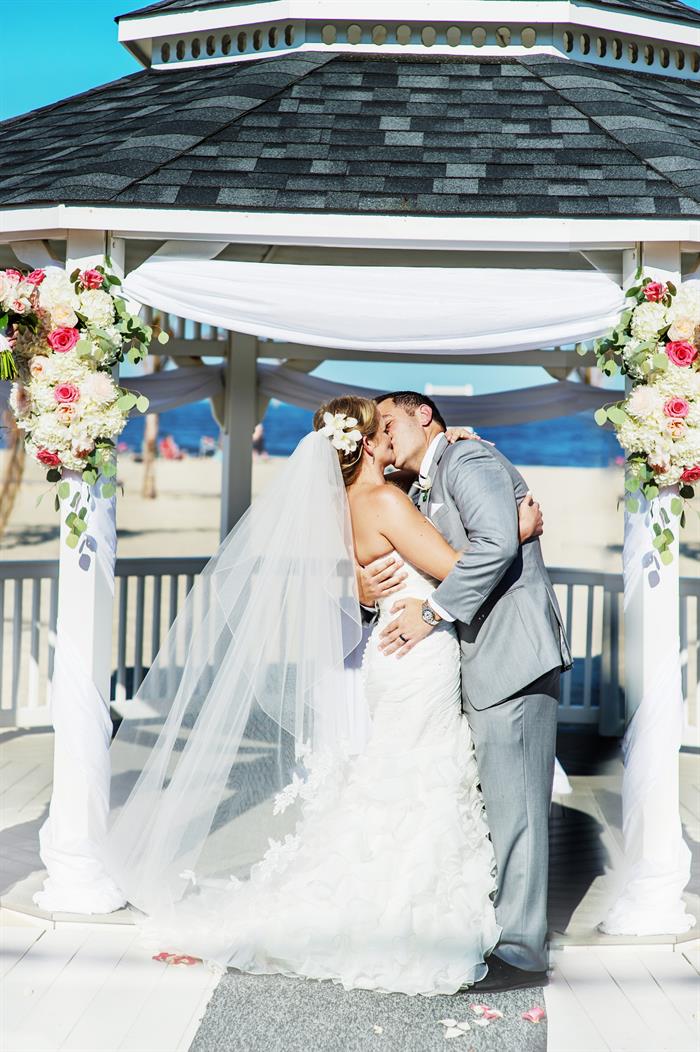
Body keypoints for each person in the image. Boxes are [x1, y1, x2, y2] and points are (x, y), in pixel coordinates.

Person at [103, 395, 544, 997]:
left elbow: (361, 579)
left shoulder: (350, 506)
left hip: (387, 657)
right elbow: (455, 566)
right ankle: (402, 907)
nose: (391, 433)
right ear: (364, 443)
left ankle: (378, 899)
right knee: (418, 776)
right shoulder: (387, 500)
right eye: (381, 427)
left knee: (397, 773)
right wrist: (514, 531)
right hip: (416, 652)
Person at [357, 391, 572, 992]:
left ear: (425, 415)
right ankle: (497, 926)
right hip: (475, 665)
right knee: (495, 806)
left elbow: (497, 544)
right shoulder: (421, 482)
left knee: (519, 811)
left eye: (391, 422)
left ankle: (525, 951)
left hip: (511, 657)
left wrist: (429, 615)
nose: (382, 434)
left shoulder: (468, 461)